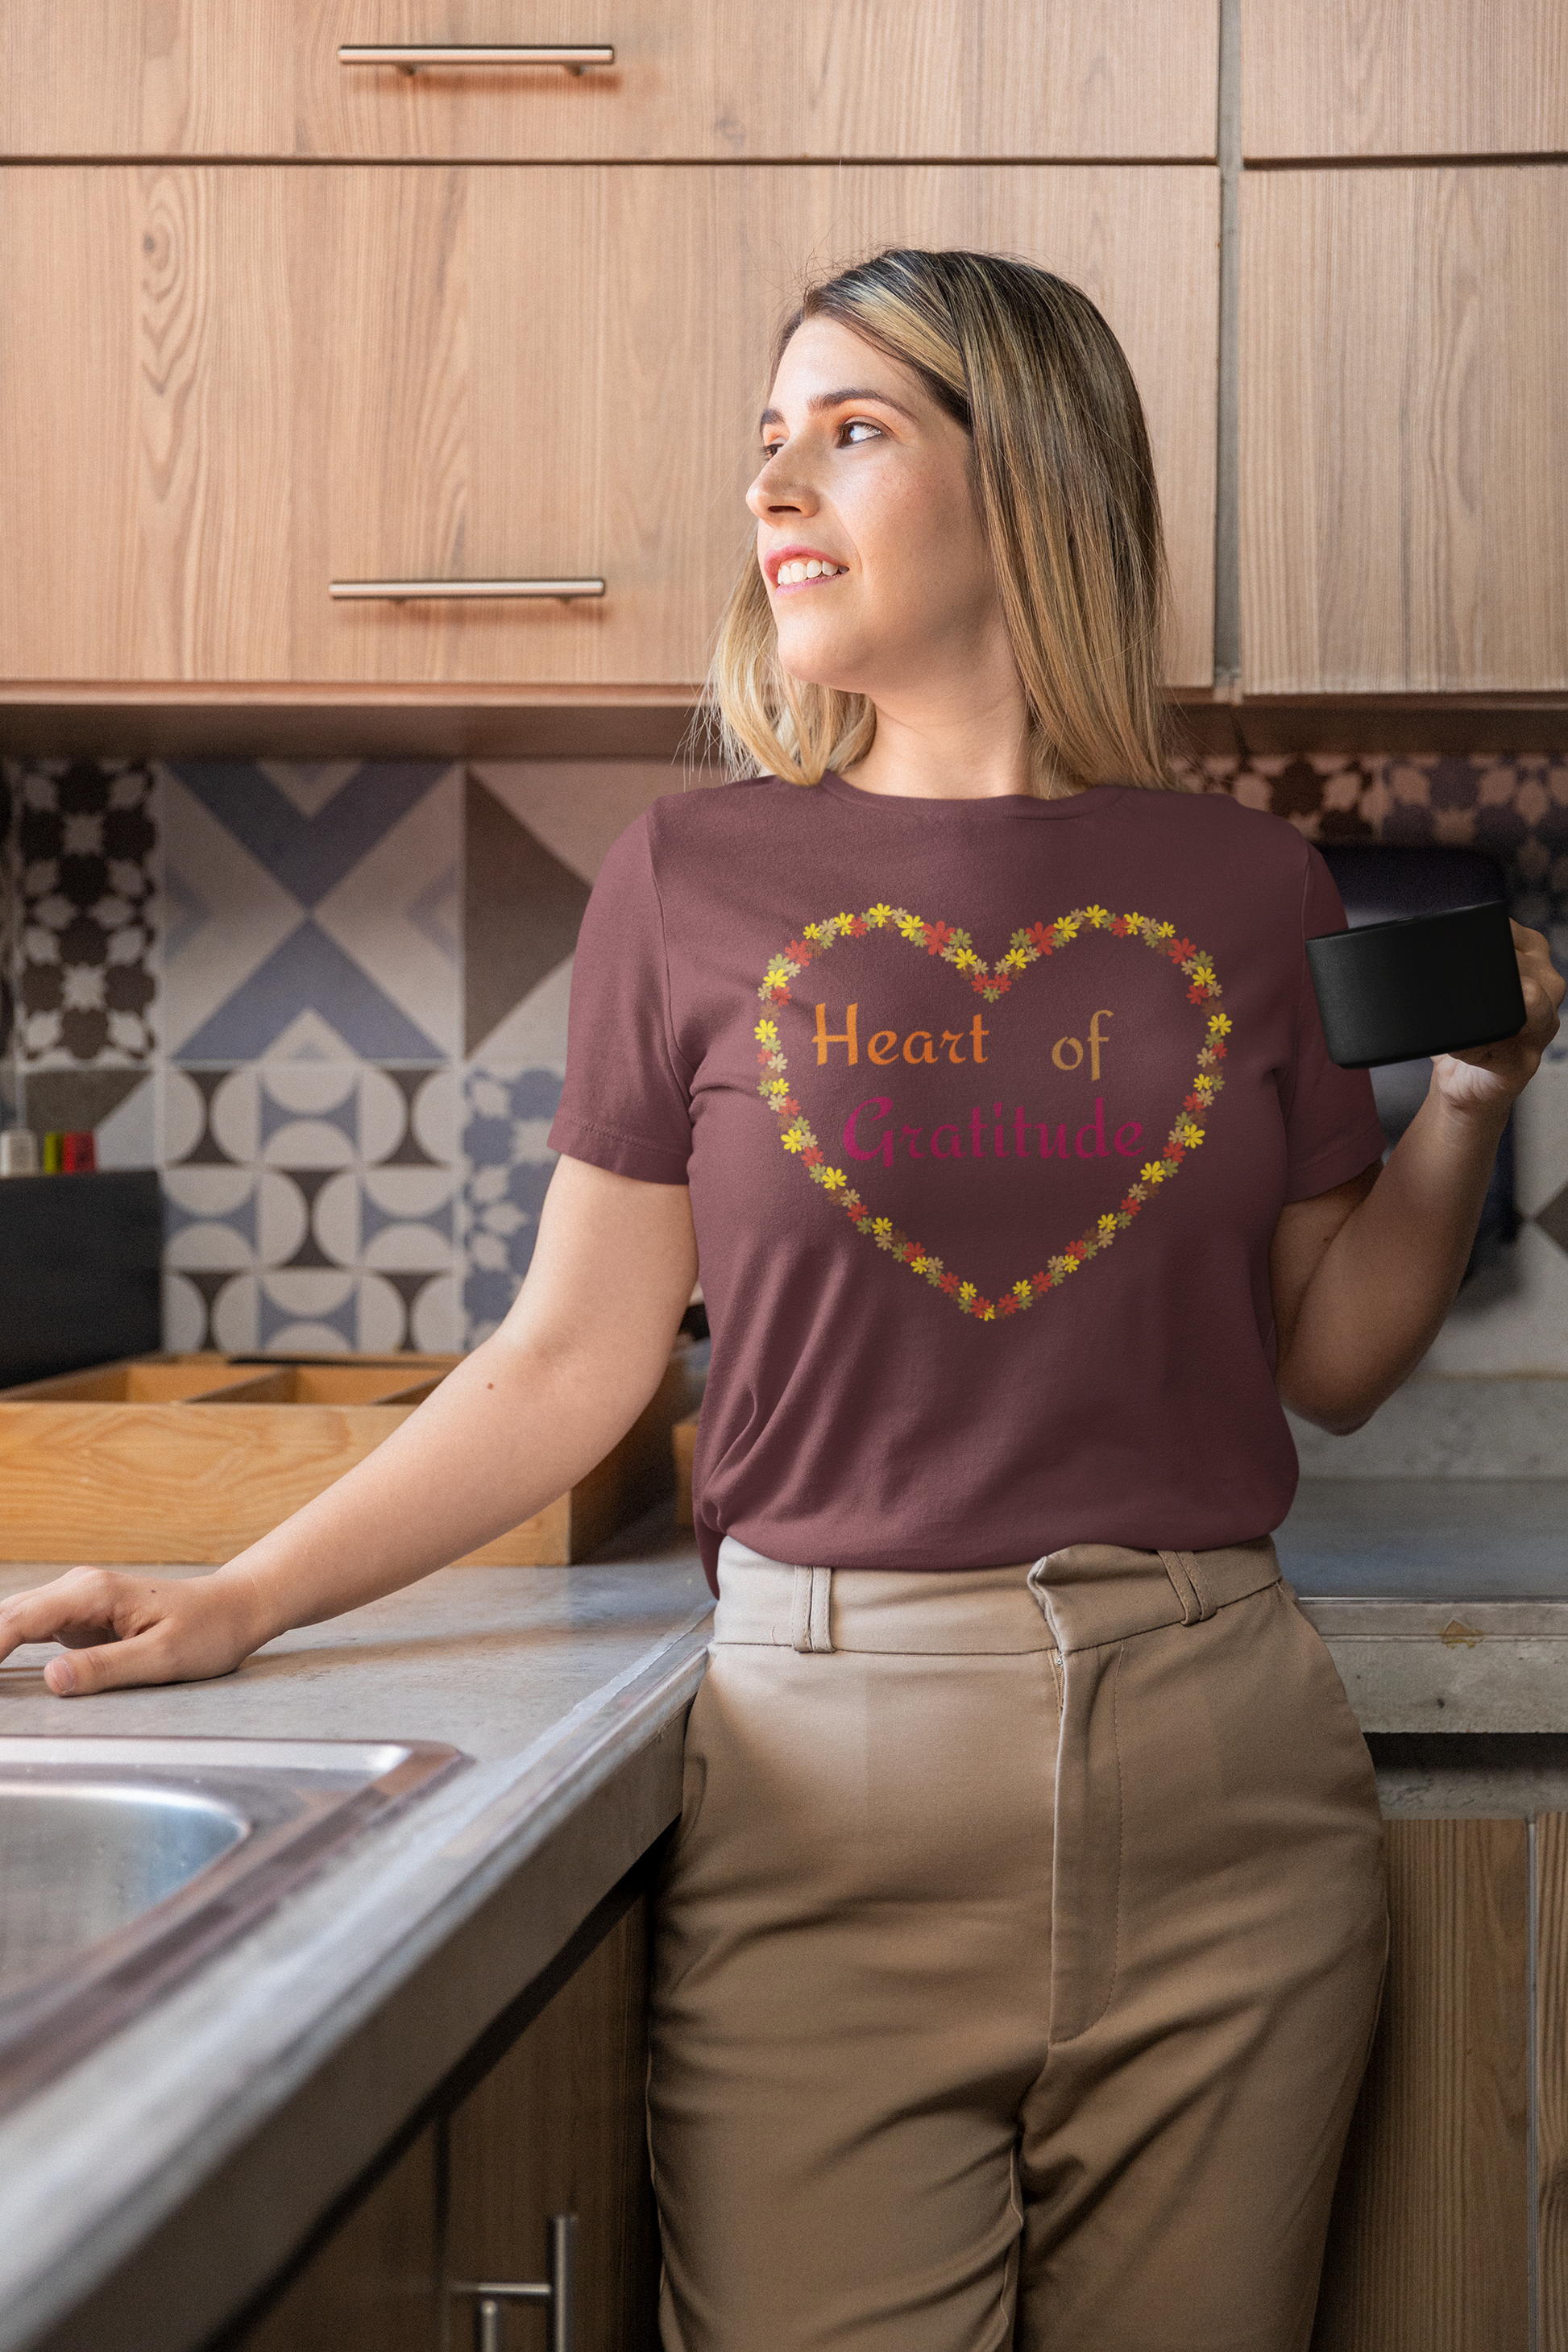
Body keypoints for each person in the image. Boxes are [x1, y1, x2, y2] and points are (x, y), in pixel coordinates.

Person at [0, 248, 1560, 2351]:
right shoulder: (691, 880)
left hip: (1228, 1781)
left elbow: (1342, 1357)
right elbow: (570, 1362)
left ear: (1036, 485)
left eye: (853, 430)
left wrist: (1468, 1097)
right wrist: (238, 1593)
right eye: (766, 441)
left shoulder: (1245, 887)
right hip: (832, 1784)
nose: (776, 489)